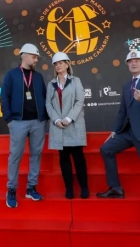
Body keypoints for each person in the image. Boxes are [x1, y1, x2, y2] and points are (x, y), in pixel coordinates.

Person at [97, 50, 140, 230]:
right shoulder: (127, 85)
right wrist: (114, 131)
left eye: (137, 60)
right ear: (127, 65)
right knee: (106, 149)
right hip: (129, 132)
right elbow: (123, 111)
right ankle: (115, 188)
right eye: (131, 61)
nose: (134, 63)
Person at [0, 43, 49, 208]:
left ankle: (31, 187)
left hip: (38, 122)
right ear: (25, 56)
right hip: (18, 122)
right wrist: (9, 120)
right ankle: (11, 190)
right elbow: (4, 97)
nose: (36, 60)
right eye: (34, 56)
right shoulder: (11, 75)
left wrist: (44, 118)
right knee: (15, 156)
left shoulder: (38, 77)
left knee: (36, 154)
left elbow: (45, 97)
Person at [45, 52, 88, 199]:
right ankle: (68, 188)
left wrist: (69, 118)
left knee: (78, 158)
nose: (58, 65)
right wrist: (57, 120)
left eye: (61, 63)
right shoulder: (51, 84)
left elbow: (79, 101)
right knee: (63, 158)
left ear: (67, 64)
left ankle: (84, 187)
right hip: (59, 127)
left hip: (73, 125)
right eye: (56, 64)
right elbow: (48, 104)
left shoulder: (76, 81)